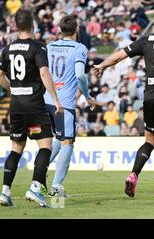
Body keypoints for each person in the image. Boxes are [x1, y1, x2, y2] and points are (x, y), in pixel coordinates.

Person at [93, 8, 154, 199]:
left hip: (150, 96)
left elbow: (119, 55)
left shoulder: (146, 40)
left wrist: (102, 65)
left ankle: (133, 174)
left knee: (150, 140)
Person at [0, 8, 63, 207]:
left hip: (16, 105)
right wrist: (56, 100)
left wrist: (13, 90)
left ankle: (5, 192)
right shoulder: (38, 47)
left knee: (16, 148)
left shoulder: (8, 49)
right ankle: (35, 188)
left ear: (15, 25)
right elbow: (44, 73)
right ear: (32, 24)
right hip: (34, 105)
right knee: (45, 144)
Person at [44, 14, 96, 196]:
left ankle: (38, 174)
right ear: (77, 29)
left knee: (58, 139)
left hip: (47, 100)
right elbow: (81, 75)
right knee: (68, 143)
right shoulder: (79, 48)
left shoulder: (50, 46)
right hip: (64, 103)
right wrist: (87, 96)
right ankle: (56, 186)